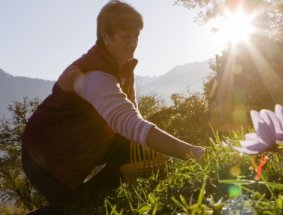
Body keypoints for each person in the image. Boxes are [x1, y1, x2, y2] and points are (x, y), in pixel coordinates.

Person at [21, 1, 205, 214]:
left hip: (86, 142)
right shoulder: (93, 75)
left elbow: (133, 116)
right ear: (105, 37)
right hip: (47, 157)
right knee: (75, 211)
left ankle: (100, 198)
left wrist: (151, 146)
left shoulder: (123, 64)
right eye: (126, 37)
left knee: (143, 150)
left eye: (136, 36)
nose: (133, 43)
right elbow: (128, 122)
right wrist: (194, 153)